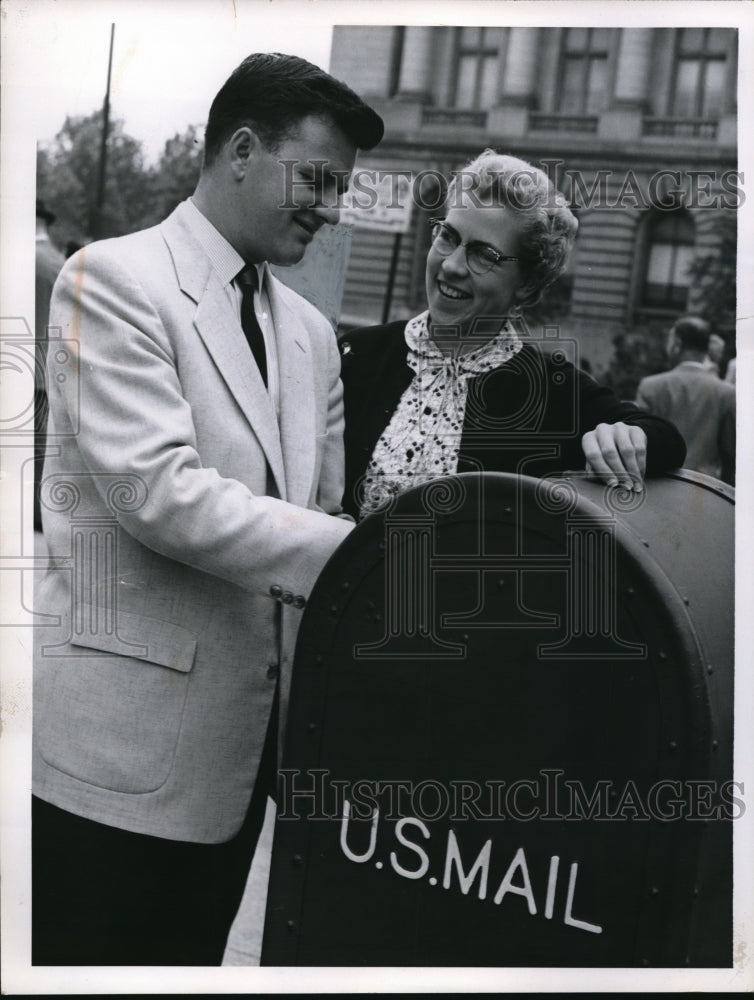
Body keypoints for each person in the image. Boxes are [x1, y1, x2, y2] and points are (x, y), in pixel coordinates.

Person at [32, 52, 383, 966]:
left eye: (341, 189)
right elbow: (160, 494)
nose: (332, 209)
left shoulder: (309, 334)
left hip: (237, 778)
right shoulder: (108, 280)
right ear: (239, 149)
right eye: (318, 180)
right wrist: (362, 554)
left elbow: (319, 506)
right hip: (114, 772)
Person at [339, 151, 685, 520]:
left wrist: (627, 438)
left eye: (483, 255)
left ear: (528, 286)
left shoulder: (552, 389)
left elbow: (665, 439)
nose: (452, 265)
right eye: (447, 237)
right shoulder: (357, 354)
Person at [636, 315, 735, 485]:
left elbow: (637, 443)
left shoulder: (650, 386)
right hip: (705, 489)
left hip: (657, 485)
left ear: (677, 344)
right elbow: (730, 453)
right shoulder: (726, 392)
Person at [34, 199, 66, 531]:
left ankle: (35, 513)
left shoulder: (26, 259)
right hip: (50, 365)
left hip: (25, 368)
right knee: (43, 443)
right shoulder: (57, 259)